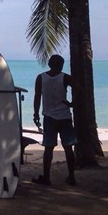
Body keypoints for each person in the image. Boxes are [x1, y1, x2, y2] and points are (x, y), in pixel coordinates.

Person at [32, 54, 77, 186]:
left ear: (49, 64)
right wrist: (72, 103)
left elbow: (37, 97)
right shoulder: (65, 77)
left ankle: (46, 177)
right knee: (68, 147)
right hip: (65, 117)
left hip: (49, 117)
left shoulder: (41, 78)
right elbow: (80, 89)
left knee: (49, 148)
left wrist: (36, 114)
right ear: (61, 65)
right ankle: (72, 177)